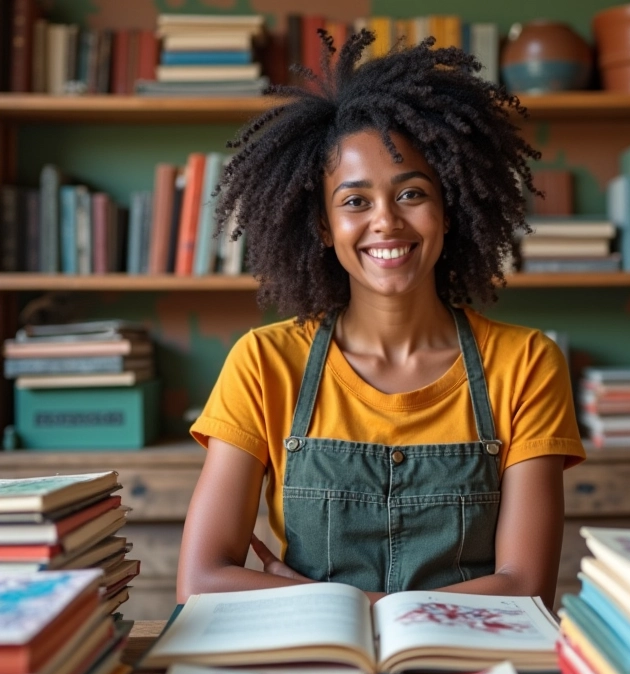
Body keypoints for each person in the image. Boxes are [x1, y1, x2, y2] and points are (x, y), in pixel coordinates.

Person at [177, 30, 586, 609]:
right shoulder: (264, 363)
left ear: (450, 210)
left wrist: (328, 599)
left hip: (468, 670)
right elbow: (201, 580)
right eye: (355, 201)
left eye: (412, 193)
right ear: (323, 226)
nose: (386, 222)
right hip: (312, 665)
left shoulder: (526, 364)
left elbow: (525, 590)